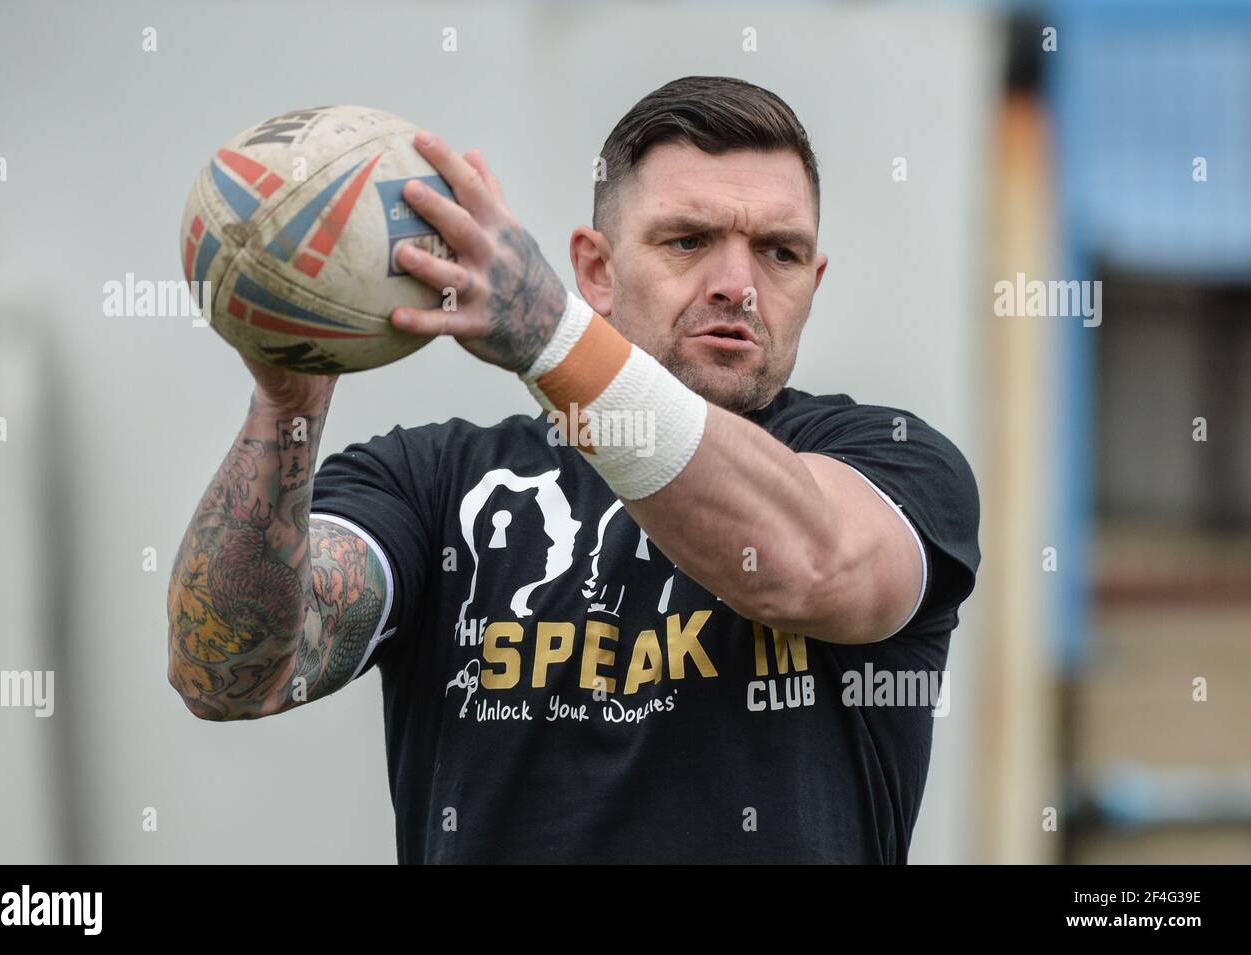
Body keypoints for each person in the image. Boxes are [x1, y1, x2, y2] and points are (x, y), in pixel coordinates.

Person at [167, 75, 981, 863]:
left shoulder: (895, 460)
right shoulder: (432, 481)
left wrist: (548, 336)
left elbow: (809, 563)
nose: (737, 285)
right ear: (594, 269)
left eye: (779, 252)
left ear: (814, 280)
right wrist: (288, 409)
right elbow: (232, 673)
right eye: (688, 240)